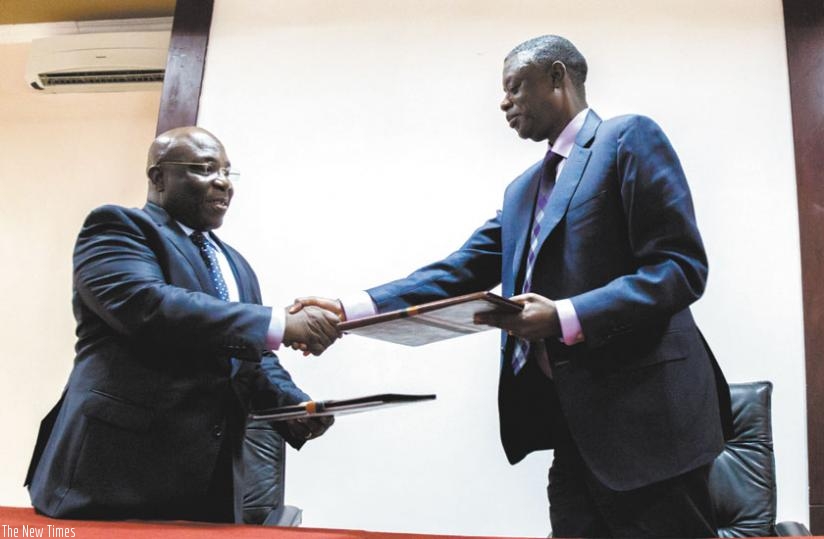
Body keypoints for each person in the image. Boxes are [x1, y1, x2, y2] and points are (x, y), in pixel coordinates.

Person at [293, 35, 733, 538]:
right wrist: (348, 309)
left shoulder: (627, 138)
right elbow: (461, 269)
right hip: (573, 431)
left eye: (514, 87)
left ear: (557, 78)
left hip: (651, 427)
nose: (504, 103)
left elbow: (679, 268)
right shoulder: (523, 189)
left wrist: (564, 316)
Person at [25, 126, 339, 523]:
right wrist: (279, 321)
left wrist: (292, 403)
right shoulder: (118, 228)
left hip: (208, 483)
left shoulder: (236, 263)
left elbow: (247, 353)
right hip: (114, 473)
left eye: (227, 171)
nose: (223, 182)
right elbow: (148, 306)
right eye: (205, 169)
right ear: (158, 177)